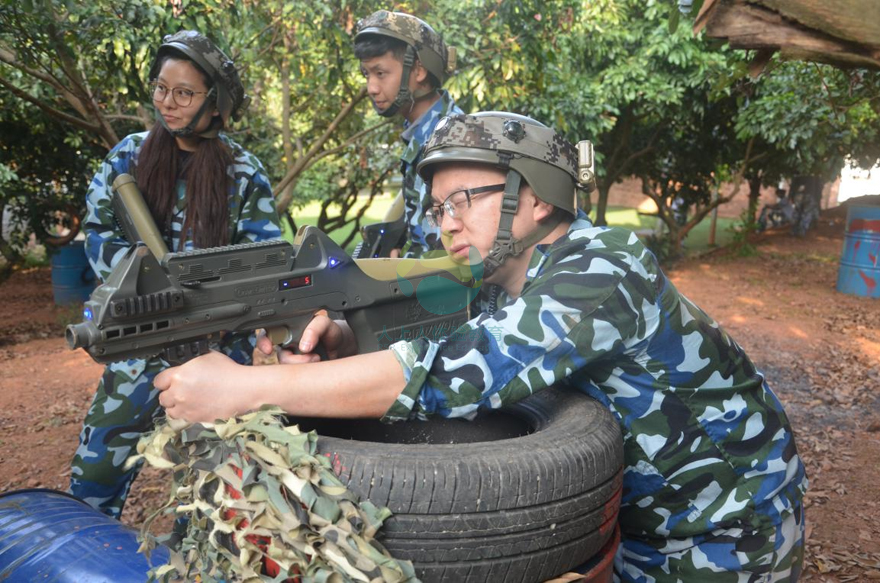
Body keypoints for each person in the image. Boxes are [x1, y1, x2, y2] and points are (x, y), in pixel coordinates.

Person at [154, 112, 807, 582]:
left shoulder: (605, 268)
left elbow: (453, 373)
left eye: (465, 199)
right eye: (439, 208)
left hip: (729, 534)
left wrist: (245, 386)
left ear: (539, 198)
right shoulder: (499, 280)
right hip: (633, 526)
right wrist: (342, 341)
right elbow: (428, 339)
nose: (448, 222)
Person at [69, 30, 282, 518]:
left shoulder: (243, 173)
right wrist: (144, 282)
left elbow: (261, 257)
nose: (167, 102)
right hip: (139, 339)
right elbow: (99, 230)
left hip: (215, 350)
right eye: (161, 88)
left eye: (184, 93)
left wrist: (208, 304)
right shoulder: (129, 156)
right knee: (95, 473)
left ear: (217, 102)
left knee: (212, 488)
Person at [354, 10, 463, 257]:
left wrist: (400, 268)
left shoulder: (448, 140)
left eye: (380, 73)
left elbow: (445, 250)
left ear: (419, 71)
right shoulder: (424, 133)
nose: (371, 87)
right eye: (366, 74)